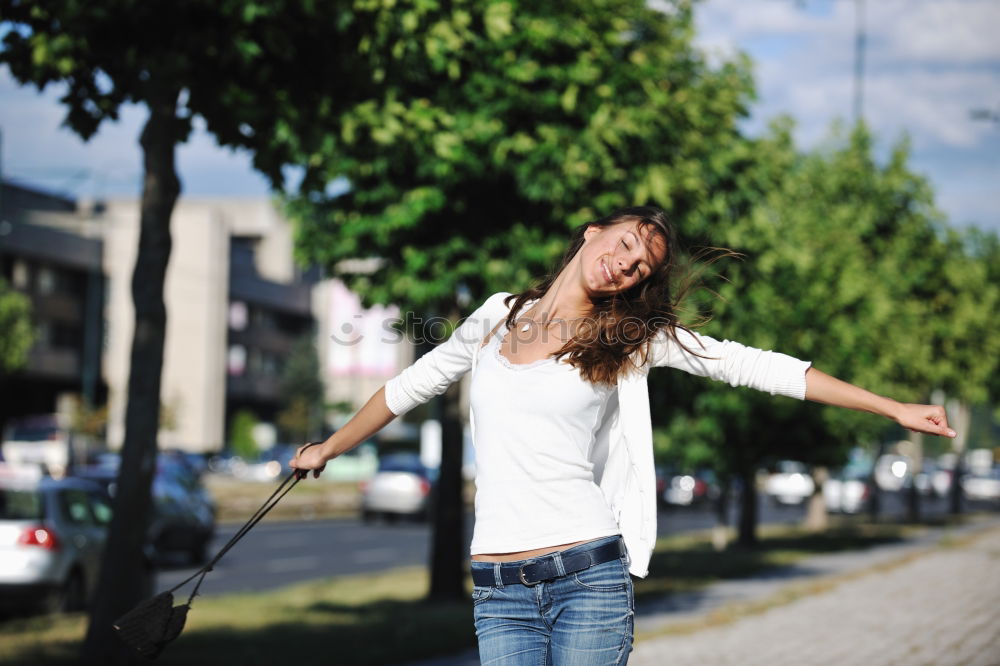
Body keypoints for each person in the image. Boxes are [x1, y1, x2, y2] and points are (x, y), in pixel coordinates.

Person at [291, 206, 954, 665]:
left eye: (640, 268)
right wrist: (329, 447)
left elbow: (753, 366)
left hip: (588, 578)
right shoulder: (495, 316)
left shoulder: (631, 339)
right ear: (592, 233)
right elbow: (410, 386)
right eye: (625, 245)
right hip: (497, 585)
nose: (625, 264)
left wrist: (892, 407)